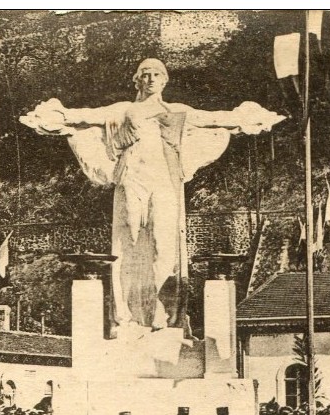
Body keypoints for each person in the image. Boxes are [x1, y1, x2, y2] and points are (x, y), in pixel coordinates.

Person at [21, 59, 284, 331]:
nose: (150, 79)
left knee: (163, 243)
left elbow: (214, 118)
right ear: (137, 80)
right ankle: (128, 316)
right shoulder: (124, 110)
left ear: (164, 80)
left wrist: (247, 120)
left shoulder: (178, 112)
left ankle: (163, 311)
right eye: (144, 75)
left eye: (156, 74)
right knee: (131, 242)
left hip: (164, 181)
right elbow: (86, 115)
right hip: (132, 178)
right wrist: (57, 116)